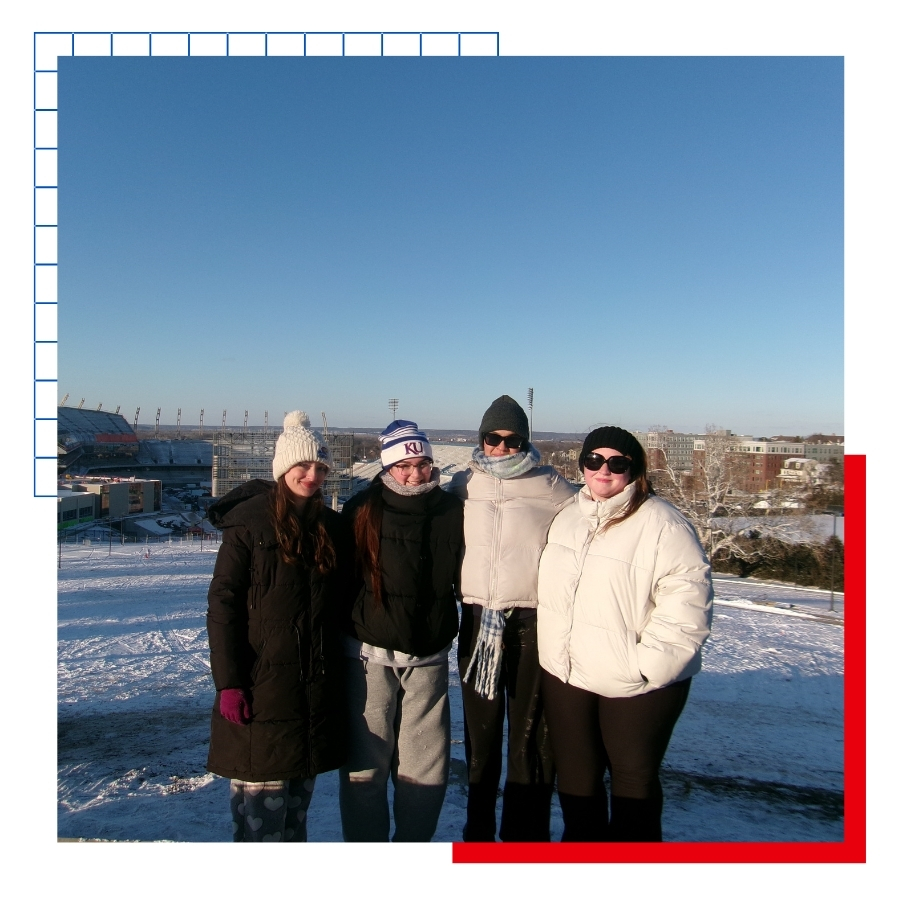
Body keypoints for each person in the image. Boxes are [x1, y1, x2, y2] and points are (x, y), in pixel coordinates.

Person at [537, 425, 713, 842]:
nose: (604, 470)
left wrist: (647, 668)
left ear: (635, 470)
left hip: (636, 685)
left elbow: (686, 605)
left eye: (617, 462)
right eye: (594, 460)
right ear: (581, 465)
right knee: (577, 786)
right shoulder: (566, 518)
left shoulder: (664, 524)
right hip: (568, 673)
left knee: (633, 789)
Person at [205, 411, 348, 842]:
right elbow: (223, 604)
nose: (311, 475)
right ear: (283, 468)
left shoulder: (328, 527)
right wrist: (229, 683)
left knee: (295, 818)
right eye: (302, 466)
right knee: (261, 821)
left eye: (320, 468)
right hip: (261, 689)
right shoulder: (249, 525)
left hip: (309, 693)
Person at [447, 395, 578, 842]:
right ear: (481, 438)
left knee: (528, 740)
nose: (501, 448)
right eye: (492, 438)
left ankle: (525, 838)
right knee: (481, 741)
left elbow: (593, 522)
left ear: (525, 441)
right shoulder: (463, 483)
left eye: (512, 439)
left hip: (531, 623)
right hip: (479, 621)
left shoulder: (551, 485)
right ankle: (478, 833)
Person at [339, 420, 463, 842]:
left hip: (428, 656)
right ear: (387, 466)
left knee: (425, 770)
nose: (415, 474)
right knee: (365, 768)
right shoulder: (362, 509)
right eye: (404, 465)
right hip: (369, 656)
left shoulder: (451, 511)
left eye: (424, 463)